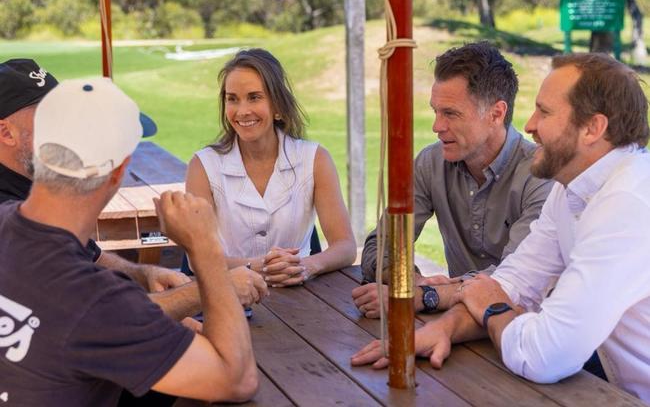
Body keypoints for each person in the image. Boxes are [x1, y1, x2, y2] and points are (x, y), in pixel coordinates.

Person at [352, 53, 650, 402]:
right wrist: (443, 328)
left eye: (545, 112)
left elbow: (543, 354)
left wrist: (492, 308)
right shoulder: (569, 188)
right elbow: (513, 282)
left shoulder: (629, 203)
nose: (529, 124)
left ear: (593, 129)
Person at [0, 77, 259, 405]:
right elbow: (237, 380)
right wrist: (205, 247)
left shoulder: (8, 222)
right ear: (119, 171)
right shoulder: (94, 300)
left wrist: (143, 278)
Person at [0, 59, 268, 319]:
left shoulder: (30, 181)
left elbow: (88, 255)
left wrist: (144, 274)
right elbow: (96, 316)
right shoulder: (10, 219)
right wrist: (213, 288)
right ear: (6, 133)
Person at [353, 42, 552, 318]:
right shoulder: (431, 163)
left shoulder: (541, 175)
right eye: (435, 111)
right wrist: (414, 282)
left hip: (527, 331)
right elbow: (380, 247)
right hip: (458, 322)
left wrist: (427, 296)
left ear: (496, 113)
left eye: (451, 113)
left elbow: (514, 278)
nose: (437, 126)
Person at [186, 48, 356, 286]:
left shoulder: (315, 159)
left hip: (302, 299)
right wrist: (258, 266)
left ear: (277, 105)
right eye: (232, 98)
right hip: (230, 297)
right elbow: (197, 258)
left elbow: (345, 246)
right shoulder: (203, 166)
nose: (242, 111)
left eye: (254, 97)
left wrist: (306, 266)